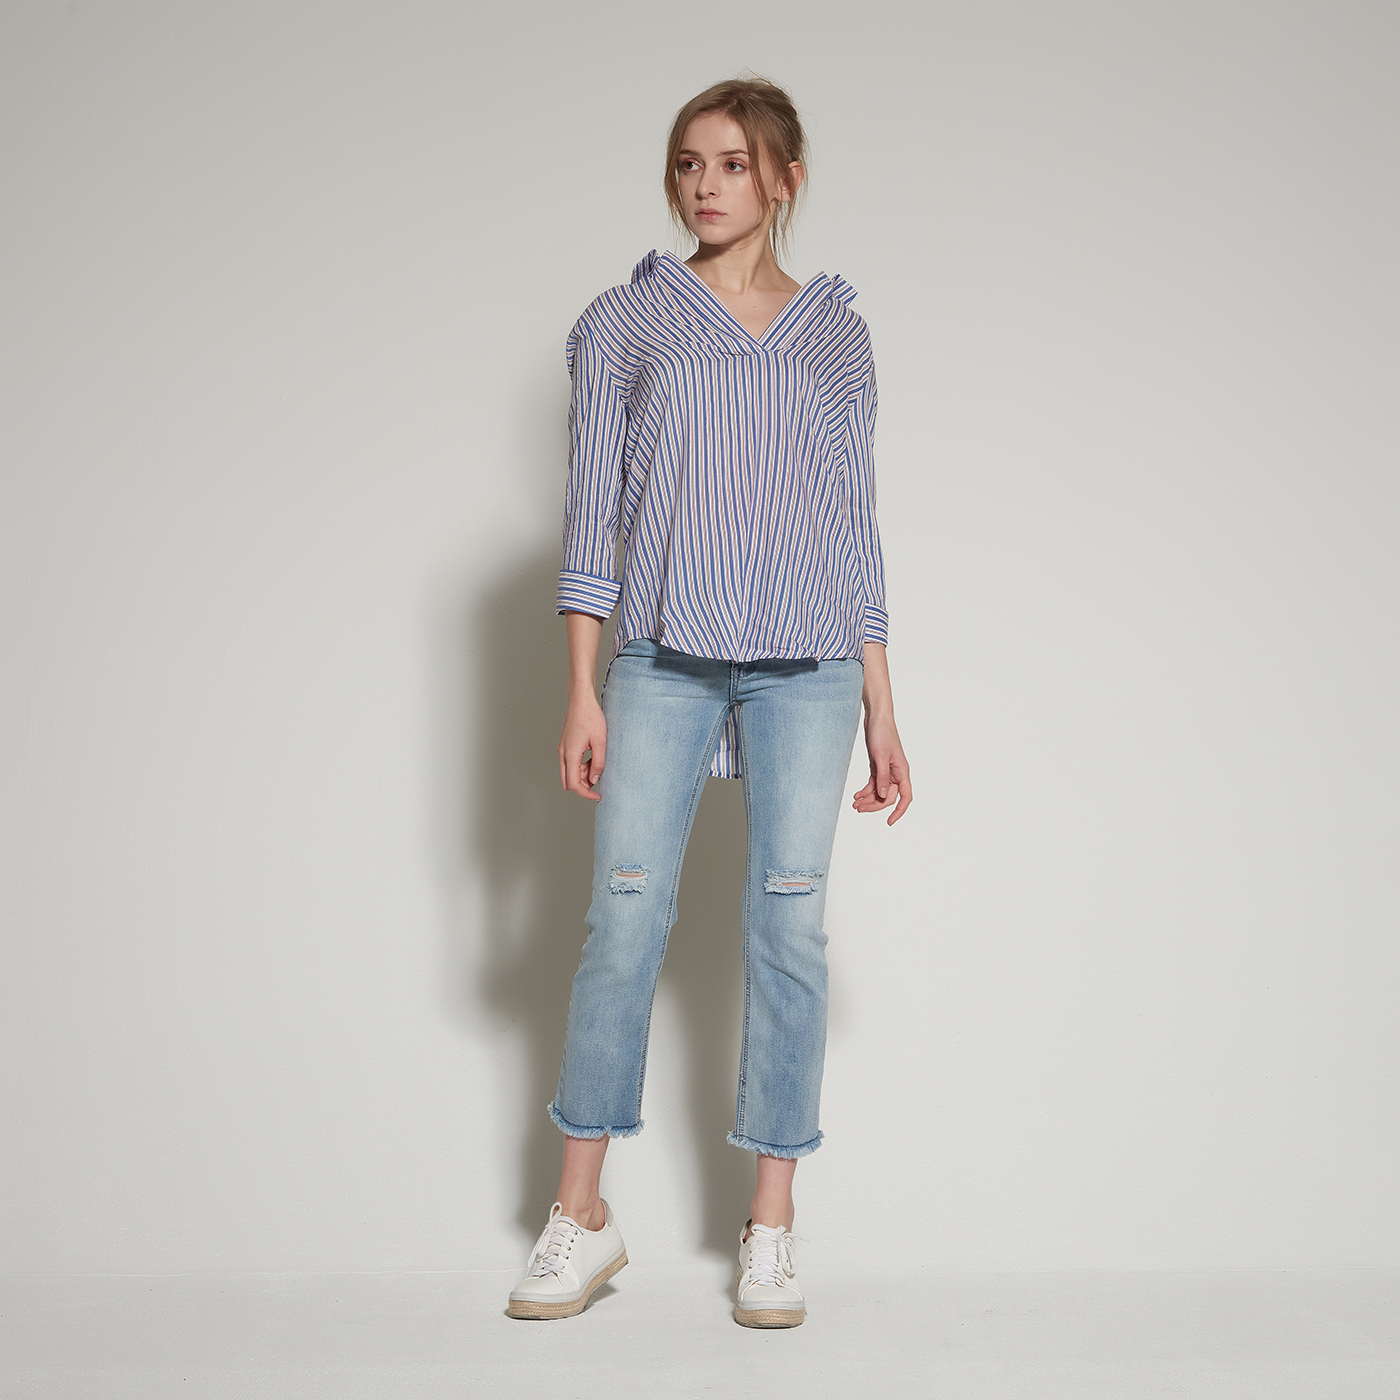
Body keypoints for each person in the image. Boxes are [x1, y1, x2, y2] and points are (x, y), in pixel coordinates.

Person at [506, 77, 912, 1329]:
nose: (704, 184)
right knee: (621, 919)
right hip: (661, 656)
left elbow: (853, 523)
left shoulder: (836, 335)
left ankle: (769, 1223)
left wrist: (882, 705)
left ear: (783, 179)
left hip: (810, 664)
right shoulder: (624, 322)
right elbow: (590, 516)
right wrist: (582, 689)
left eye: (732, 163)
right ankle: (581, 1214)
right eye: (688, 162)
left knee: (788, 931)